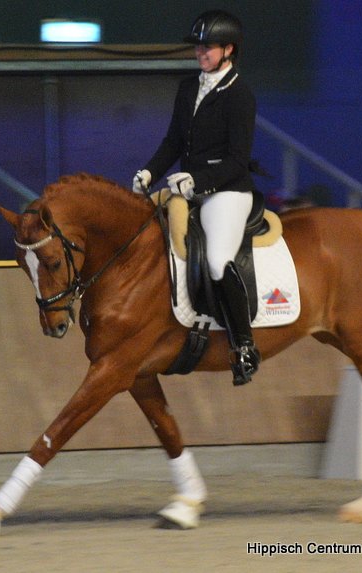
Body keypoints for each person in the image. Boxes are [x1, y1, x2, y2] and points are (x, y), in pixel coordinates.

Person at [132, 9, 260, 386]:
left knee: (218, 260)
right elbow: (173, 142)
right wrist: (150, 172)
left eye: (208, 47)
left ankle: (244, 345)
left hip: (227, 192)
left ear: (229, 49)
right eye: (198, 46)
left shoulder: (240, 94)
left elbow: (237, 160)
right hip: (186, 189)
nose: (201, 52)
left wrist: (198, 180)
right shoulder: (189, 87)